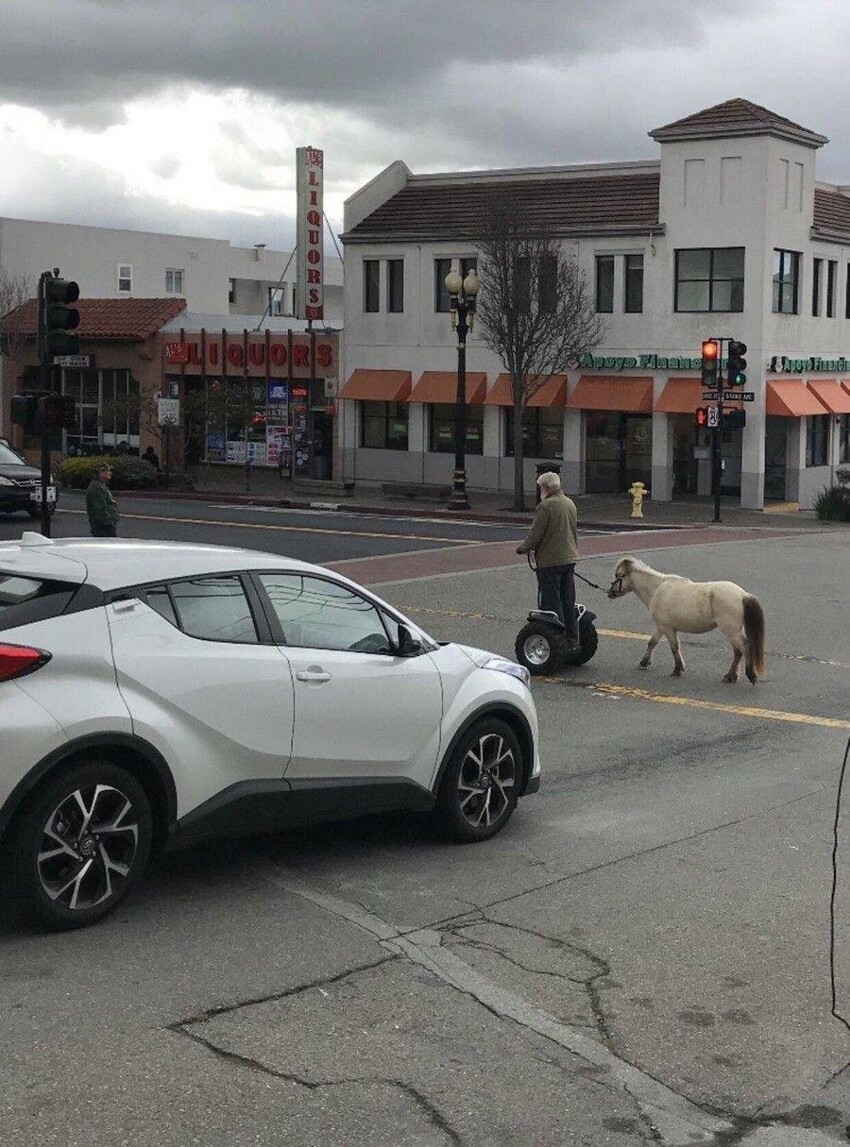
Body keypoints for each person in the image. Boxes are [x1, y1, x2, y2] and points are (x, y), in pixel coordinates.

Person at [516, 471, 580, 649]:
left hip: (551, 561)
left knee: (551, 602)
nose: (540, 491)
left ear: (547, 488)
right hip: (569, 558)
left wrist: (523, 548)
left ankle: (557, 642)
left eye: (541, 487)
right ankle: (573, 640)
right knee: (568, 601)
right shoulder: (569, 503)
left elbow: (536, 533)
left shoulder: (546, 506)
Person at [86, 463, 120, 537]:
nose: (110, 473)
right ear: (101, 472)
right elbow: (100, 509)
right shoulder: (97, 487)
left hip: (104, 526)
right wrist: (109, 523)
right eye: (108, 471)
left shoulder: (100, 485)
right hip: (103, 527)